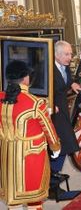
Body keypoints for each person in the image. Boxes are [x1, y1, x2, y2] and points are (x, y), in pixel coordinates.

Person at [0, 60, 61, 210]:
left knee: (13, 199)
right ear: (25, 77)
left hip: (7, 156)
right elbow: (49, 129)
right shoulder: (35, 102)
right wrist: (55, 147)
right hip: (31, 157)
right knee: (35, 199)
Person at [50, 41, 81, 197]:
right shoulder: (47, 68)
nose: (70, 57)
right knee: (61, 145)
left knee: (63, 145)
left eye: (71, 54)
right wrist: (49, 105)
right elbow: (37, 89)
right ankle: (52, 183)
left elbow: (67, 81)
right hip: (51, 113)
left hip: (62, 111)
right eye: (67, 54)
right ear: (57, 54)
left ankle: (53, 179)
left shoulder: (65, 66)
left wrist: (73, 83)